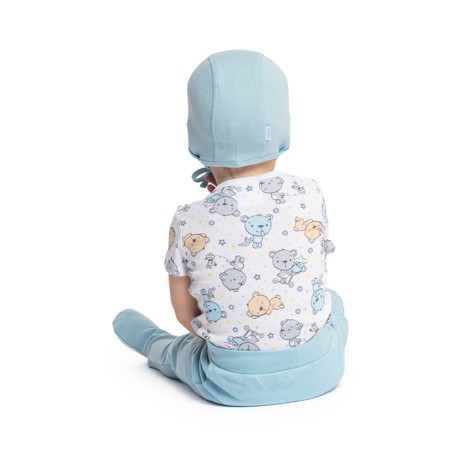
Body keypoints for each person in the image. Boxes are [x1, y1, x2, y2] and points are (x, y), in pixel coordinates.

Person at [113, 50, 348, 406]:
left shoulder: (188, 219)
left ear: (196, 141)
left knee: (179, 353)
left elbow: (185, 313)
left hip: (228, 383)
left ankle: (150, 343)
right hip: (324, 370)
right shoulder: (311, 193)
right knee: (334, 301)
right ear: (282, 130)